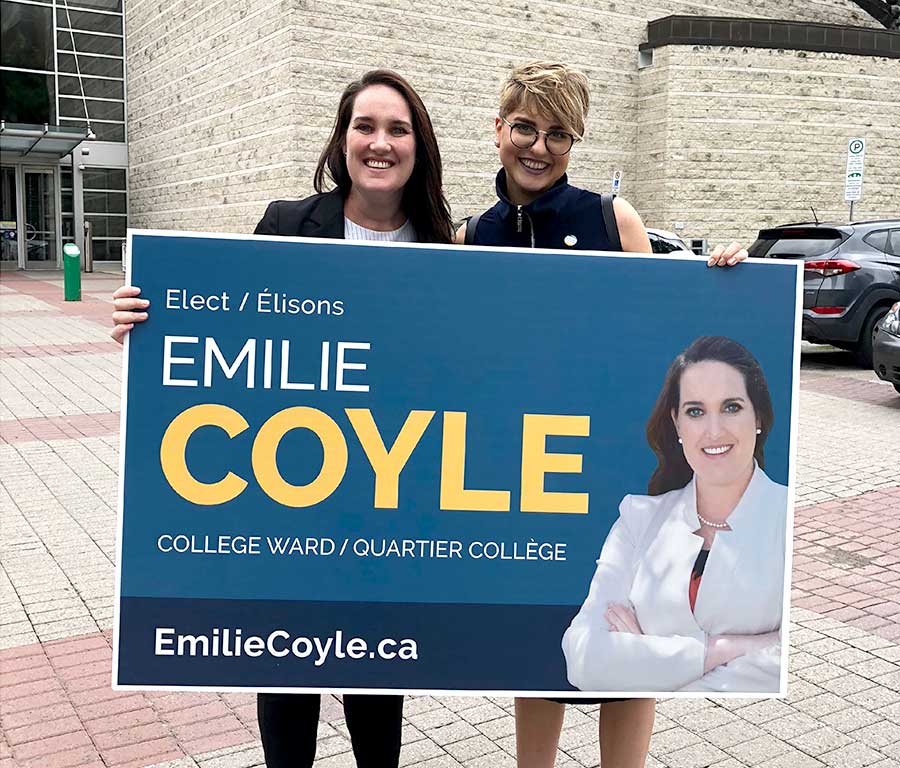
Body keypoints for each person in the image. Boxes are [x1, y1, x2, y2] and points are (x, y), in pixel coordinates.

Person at [111, 69, 453, 768]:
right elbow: (232, 328)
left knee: (376, 689)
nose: (380, 143)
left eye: (397, 128)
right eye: (365, 125)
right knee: (286, 688)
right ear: (341, 138)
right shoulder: (288, 223)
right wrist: (146, 321)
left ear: (419, 146)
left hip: (386, 508)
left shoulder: (447, 246)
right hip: (292, 499)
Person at [455, 61, 750, 768]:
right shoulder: (472, 236)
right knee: (539, 649)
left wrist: (728, 286)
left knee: (630, 646)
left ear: (574, 142)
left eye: (558, 133)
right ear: (498, 129)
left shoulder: (612, 218)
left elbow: (661, 340)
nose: (538, 146)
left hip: (614, 473)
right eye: (525, 126)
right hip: (524, 475)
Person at [562, 335, 787, 693]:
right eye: (695, 411)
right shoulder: (639, 519)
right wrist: (725, 649)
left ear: (758, 416)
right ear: (677, 424)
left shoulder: (790, 523)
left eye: (731, 407)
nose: (714, 431)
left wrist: (644, 660)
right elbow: (584, 656)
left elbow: (785, 665)